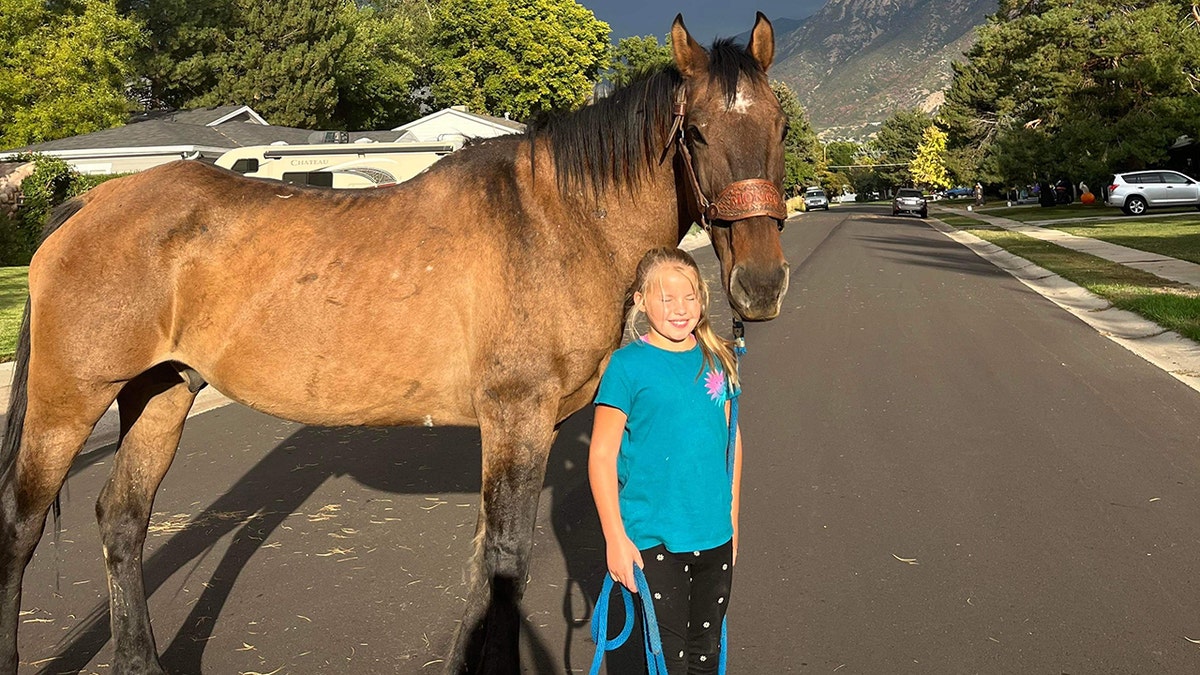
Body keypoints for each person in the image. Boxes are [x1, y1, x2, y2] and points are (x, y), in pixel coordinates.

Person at [589, 246, 743, 674]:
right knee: (667, 661)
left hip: (714, 535)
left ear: (702, 299)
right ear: (640, 301)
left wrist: (732, 519)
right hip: (653, 541)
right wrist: (615, 539)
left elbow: (732, 443)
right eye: (666, 298)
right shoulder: (626, 367)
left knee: (705, 657)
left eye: (689, 297)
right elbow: (601, 455)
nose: (680, 309)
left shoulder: (718, 359)